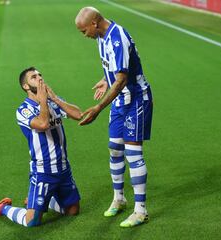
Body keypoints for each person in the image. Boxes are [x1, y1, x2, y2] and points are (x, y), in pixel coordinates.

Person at [75, 7, 153, 227]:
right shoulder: (102, 36)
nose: (84, 35)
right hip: (120, 100)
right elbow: (116, 69)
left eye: (83, 31)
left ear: (94, 23)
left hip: (136, 99)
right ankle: (119, 199)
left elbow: (121, 79)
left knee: (133, 153)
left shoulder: (117, 37)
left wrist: (98, 108)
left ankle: (141, 211)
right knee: (114, 148)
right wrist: (105, 78)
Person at [0, 67, 82, 227]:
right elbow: (43, 124)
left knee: (72, 211)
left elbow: (79, 115)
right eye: (34, 77)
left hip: (64, 168)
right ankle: (2, 208)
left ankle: (41, 201)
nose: (39, 78)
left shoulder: (53, 102)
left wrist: (55, 99)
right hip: (43, 172)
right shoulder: (23, 110)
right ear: (25, 86)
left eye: (40, 75)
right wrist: (44, 100)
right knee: (32, 222)